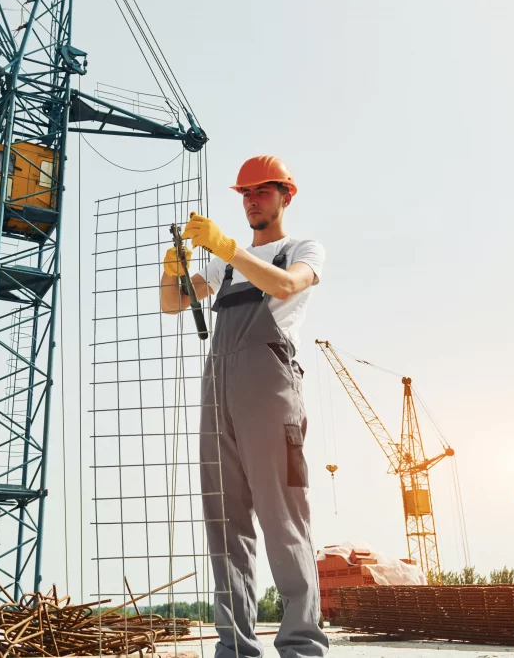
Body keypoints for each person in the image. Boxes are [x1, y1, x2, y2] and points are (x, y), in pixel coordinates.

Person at [159, 155, 328, 658]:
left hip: (270, 388)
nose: (253, 200)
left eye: (263, 192)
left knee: (283, 518)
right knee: (225, 521)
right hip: (219, 389)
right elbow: (173, 303)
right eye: (246, 194)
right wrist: (175, 270)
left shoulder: (301, 249)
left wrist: (227, 248)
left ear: (285, 196)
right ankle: (235, 646)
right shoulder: (220, 262)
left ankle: (301, 645)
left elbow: (286, 285)